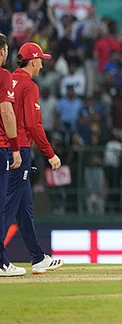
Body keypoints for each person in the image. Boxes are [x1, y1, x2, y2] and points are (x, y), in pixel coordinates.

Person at [5, 43, 63, 275]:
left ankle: (38, 258)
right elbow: (33, 124)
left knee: (23, 208)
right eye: (40, 60)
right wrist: (50, 154)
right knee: (8, 207)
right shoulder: (29, 86)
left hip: (6, 147)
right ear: (32, 61)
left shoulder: (8, 80)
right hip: (19, 149)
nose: (42, 63)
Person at [0, 34, 24, 277]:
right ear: (3, 51)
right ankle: (0, 261)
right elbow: (6, 111)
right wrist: (15, 147)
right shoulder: (4, 75)